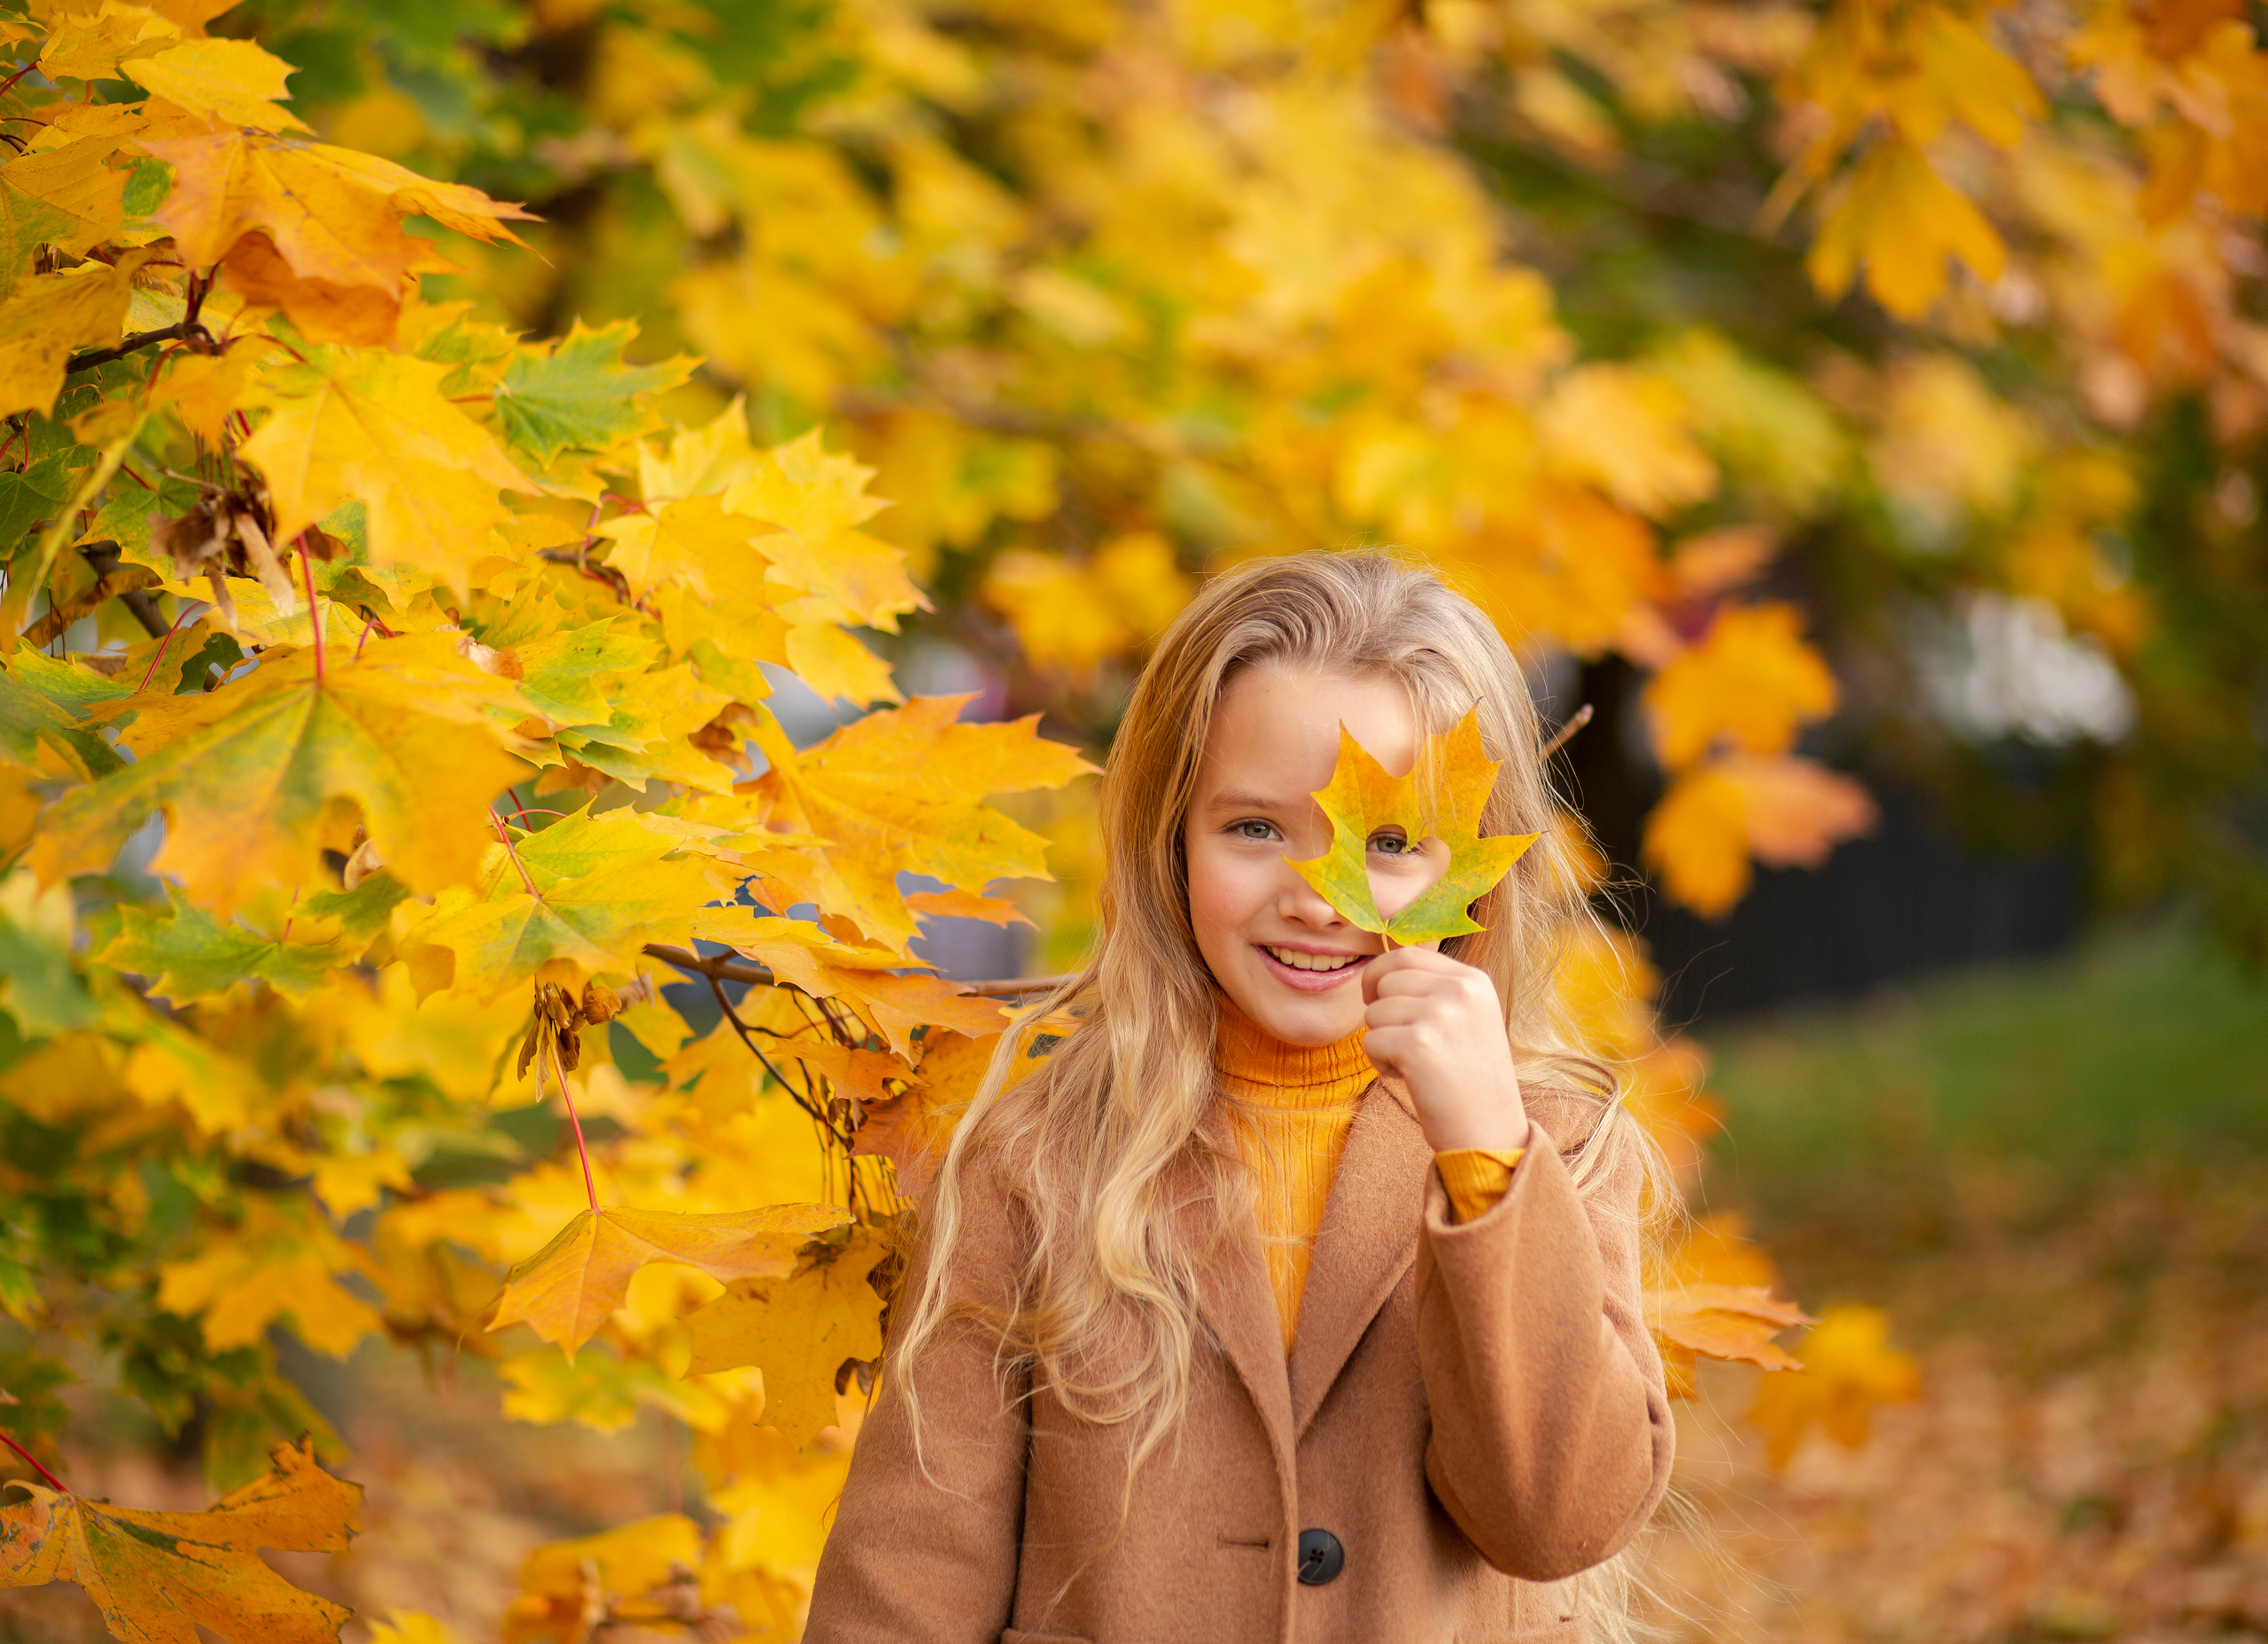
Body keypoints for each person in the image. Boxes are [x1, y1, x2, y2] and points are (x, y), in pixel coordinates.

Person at [805, 552, 1675, 1643]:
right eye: (1256, 827)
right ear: (1170, 837)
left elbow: (1560, 1518)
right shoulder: (1035, 1160)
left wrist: (1488, 1159)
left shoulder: (1553, 1145)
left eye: (1388, 841)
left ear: (1478, 868)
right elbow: (908, 1579)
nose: (1317, 899)